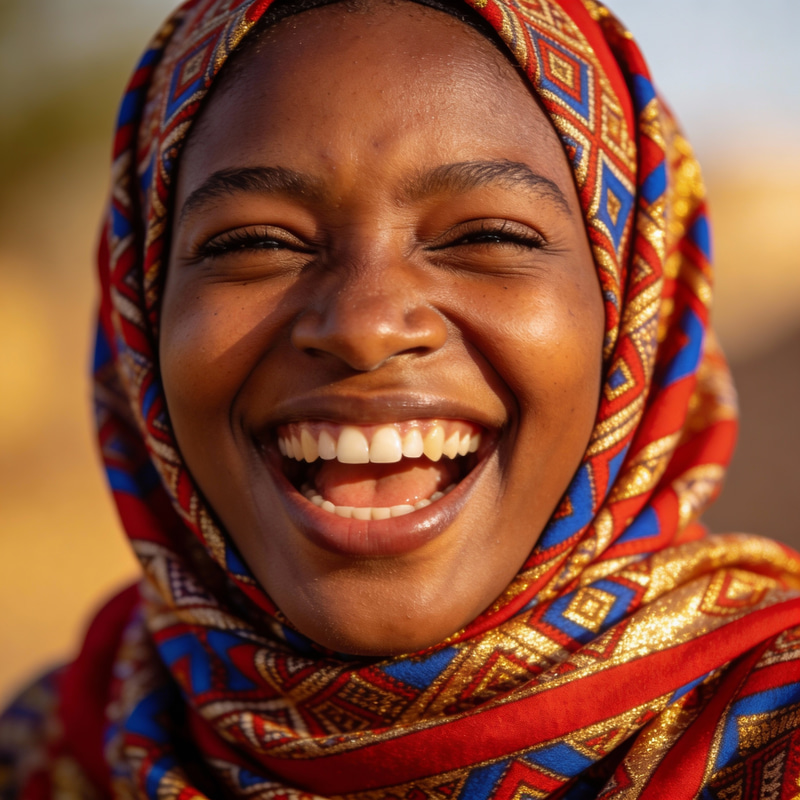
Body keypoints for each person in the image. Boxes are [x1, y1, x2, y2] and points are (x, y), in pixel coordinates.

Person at [3, 0, 800, 796]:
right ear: (138, 309)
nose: (365, 325)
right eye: (256, 243)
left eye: (487, 236)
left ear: (638, 306)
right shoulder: (54, 752)